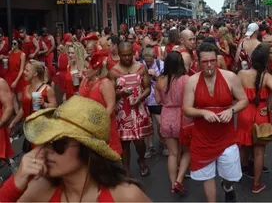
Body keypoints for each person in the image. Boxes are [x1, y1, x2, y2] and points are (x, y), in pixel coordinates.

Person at [0, 96, 151, 202]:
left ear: (87, 149)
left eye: (59, 144)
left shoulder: (126, 197)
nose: (44, 150)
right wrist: (15, 183)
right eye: (45, 141)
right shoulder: (38, 190)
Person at [183, 43, 248, 202]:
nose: (209, 65)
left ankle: (227, 186)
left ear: (217, 59)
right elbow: (186, 109)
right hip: (202, 137)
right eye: (205, 62)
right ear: (198, 62)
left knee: (232, 176)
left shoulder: (230, 77)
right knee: (207, 176)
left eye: (212, 60)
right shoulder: (192, 81)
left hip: (226, 136)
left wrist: (231, 111)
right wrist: (202, 112)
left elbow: (244, 100)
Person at [237, 44, 272, 193]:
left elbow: (234, 92)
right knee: (259, 151)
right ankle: (256, 184)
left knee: (243, 143)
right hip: (260, 114)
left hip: (244, 112)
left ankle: (239, 172)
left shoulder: (242, 74)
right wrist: (268, 108)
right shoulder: (266, 76)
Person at [108, 42, 153, 177]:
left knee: (140, 142)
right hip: (122, 111)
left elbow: (148, 88)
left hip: (138, 108)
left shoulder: (141, 68)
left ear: (133, 54)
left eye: (129, 55)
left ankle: (141, 159)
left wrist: (139, 98)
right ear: (119, 55)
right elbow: (109, 93)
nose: (127, 58)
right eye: (123, 56)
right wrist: (120, 94)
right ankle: (126, 168)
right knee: (125, 143)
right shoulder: (113, 72)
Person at [155, 51, 190, 193]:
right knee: (187, 151)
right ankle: (179, 180)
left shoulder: (160, 80)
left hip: (166, 116)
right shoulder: (186, 79)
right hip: (183, 117)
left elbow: (157, 100)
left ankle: (172, 184)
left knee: (172, 153)